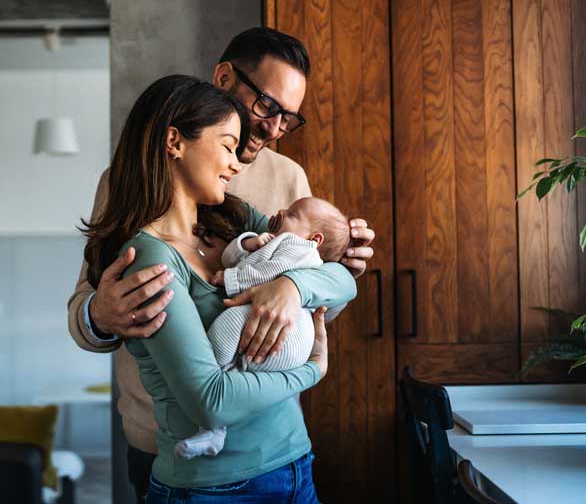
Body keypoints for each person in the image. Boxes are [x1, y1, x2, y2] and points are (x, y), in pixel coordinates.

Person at [67, 27, 374, 501]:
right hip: (172, 447)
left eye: (289, 119)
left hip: (285, 448)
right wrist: (101, 316)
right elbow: (85, 308)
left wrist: (304, 284)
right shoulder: (130, 199)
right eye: (268, 107)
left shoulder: (267, 190)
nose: (275, 129)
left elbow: (315, 302)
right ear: (225, 77)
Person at [176, 196, 350, 460]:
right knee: (238, 367)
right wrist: (249, 243)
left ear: (315, 239)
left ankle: (213, 416)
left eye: (292, 214)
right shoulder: (275, 240)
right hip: (290, 344)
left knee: (226, 327)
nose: (281, 211)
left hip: (288, 334)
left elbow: (269, 273)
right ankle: (215, 429)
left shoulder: (299, 247)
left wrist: (231, 278)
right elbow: (233, 257)